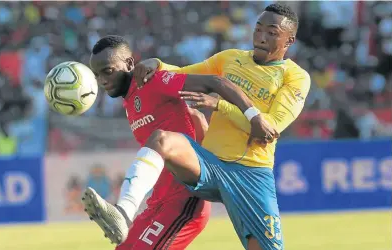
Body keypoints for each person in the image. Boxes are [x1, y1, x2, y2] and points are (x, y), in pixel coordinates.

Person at [116, 3, 311, 250]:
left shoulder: (295, 77)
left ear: (289, 40)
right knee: (161, 139)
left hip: (251, 172)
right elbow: (185, 74)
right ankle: (124, 209)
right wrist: (159, 64)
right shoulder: (230, 59)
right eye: (258, 29)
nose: (261, 37)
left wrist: (220, 105)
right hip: (209, 164)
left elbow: (268, 128)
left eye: (271, 32)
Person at [82, 35, 261, 249]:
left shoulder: (153, 81)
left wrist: (253, 115)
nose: (102, 80)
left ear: (129, 64)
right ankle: (123, 213)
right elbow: (194, 118)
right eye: (97, 74)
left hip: (184, 201)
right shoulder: (130, 101)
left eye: (108, 71)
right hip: (159, 201)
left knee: (160, 138)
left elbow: (215, 82)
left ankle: (123, 211)